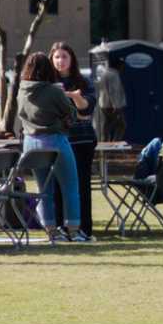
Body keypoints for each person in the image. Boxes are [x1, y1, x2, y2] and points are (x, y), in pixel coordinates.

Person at [12, 51, 88, 243]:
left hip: (31, 142)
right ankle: (73, 229)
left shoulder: (21, 90)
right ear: (48, 69)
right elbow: (71, 114)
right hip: (55, 140)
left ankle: (51, 229)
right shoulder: (53, 90)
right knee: (69, 185)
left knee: (43, 188)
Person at [49, 38, 96, 236]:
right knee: (56, 184)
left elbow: (86, 111)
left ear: (72, 59)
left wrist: (75, 96)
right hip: (55, 141)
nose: (60, 61)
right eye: (57, 57)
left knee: (81, 184)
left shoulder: (83, 82)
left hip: (81, 140)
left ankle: (83, 228)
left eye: (64, 57)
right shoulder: (46, 84)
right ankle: (61, 226)